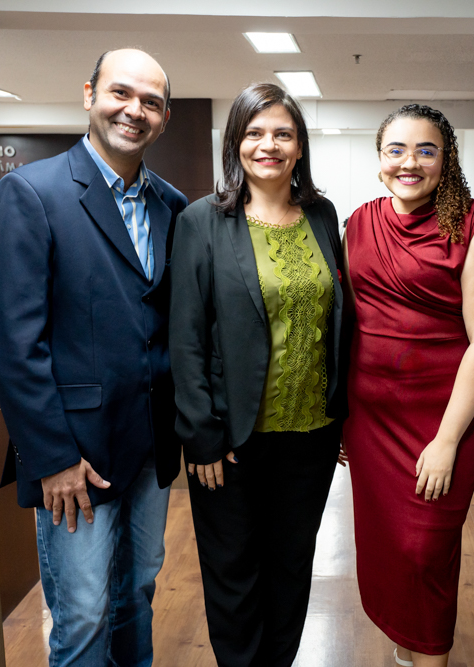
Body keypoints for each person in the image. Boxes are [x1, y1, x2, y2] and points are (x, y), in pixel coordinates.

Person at [0, 49, 187, 666]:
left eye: (151, 102)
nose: (135, 110)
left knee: (137, 595)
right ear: (90, 93)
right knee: (84, 614)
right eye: (121, 93)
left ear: (165, 117)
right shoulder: (31, 192)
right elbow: (12, 342)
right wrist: (51, 458)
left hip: (150, 446)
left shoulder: (171, 207)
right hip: (76, 457)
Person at [169, 82, 346, 667]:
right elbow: (187, 337)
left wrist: (340, 409)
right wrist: (202, 436)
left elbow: (337, 316)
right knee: (234, 577)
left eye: (283, 133)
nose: (268, 145)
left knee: (292, 572)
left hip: (311, 438)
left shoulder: (322, 216)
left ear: (299, 148)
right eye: (254, 132)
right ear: (236, 143)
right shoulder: (203, 221)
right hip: (230, 442)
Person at [343, 104, 474, 667]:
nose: (409, 162)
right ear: (380, 159)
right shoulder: (359, 222)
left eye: (426, 150)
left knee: (424, 554)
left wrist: (445, 440)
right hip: (368, 422)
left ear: (447, 159)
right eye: (396, 150)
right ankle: (405, 652)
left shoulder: (473, 226)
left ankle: (428, 656)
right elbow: (349, 319)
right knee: (389, 550)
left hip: (441, 422)